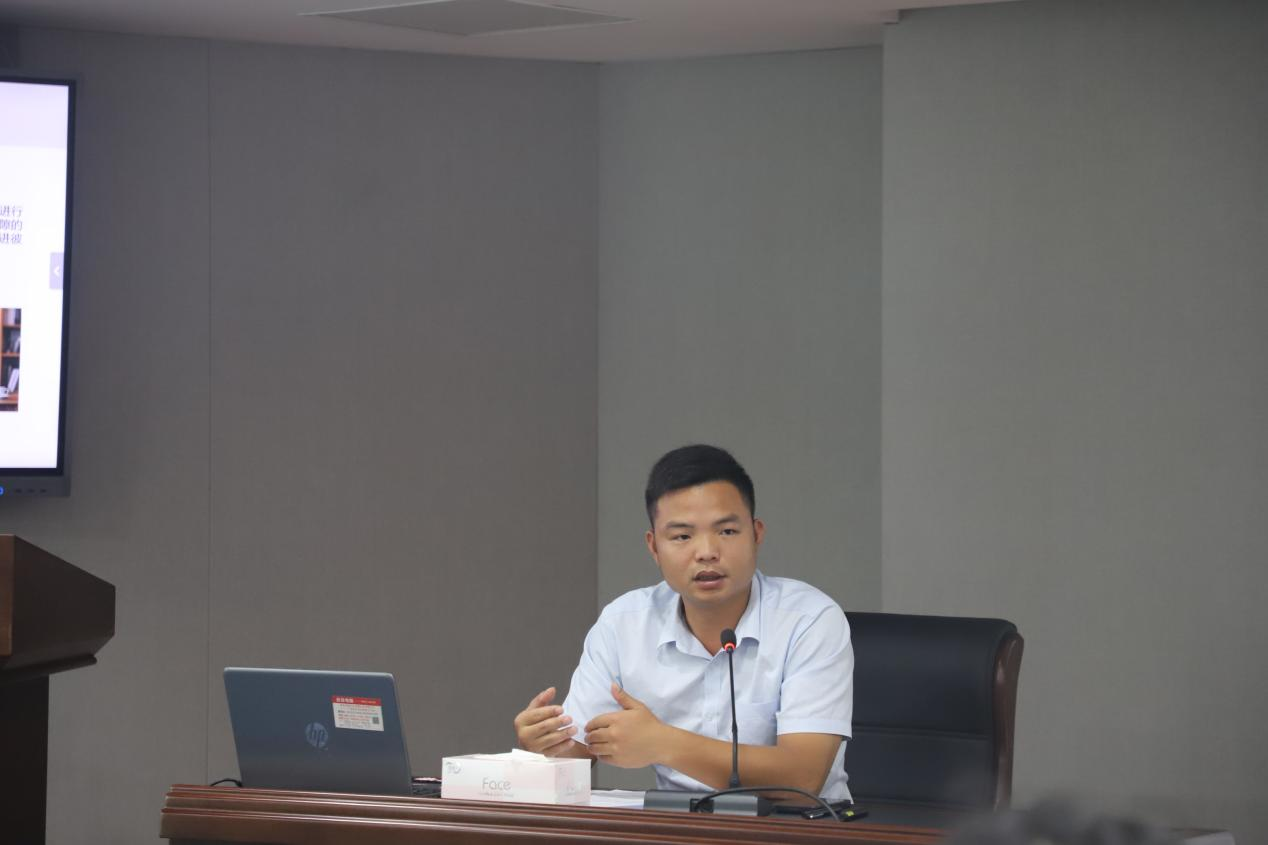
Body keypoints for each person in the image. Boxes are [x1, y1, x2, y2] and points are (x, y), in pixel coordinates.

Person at [513, 444, 854, 800]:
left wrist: (664, 744)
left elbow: (802, 779)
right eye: (682, 536)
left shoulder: (809, 621)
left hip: (795, 825)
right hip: (678, 824)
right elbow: (579, 753)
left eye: (726, 531)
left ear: (756, 534)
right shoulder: (623, 624)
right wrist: (546, 748)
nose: (706, 552)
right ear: (654, 547)